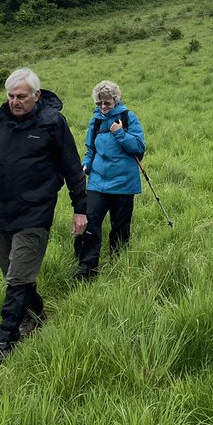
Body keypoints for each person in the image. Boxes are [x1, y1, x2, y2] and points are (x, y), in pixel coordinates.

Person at [0, 68, 87, 365]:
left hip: (36, 212)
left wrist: (81, 209)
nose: (15, 102)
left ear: (36, 96)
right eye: (11, 96)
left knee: (17, 278)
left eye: (21, 97)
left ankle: (5, 339)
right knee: (12, 272)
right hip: (0, 209)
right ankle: (36, 312)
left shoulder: (52, 123)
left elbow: (72, 167)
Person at [74, 80, 146, 281]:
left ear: (116, 100)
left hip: (124, 183)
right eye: (99, 103)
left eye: (107, 103)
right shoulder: (95, 120)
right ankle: (87, 268)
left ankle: (119, 264)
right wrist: (85, 164)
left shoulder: (128, 117)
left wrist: (120, 133)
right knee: (91, 222)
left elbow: (139, 148)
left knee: (120, 226)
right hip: (97, 181)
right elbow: (90, 150)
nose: (103, 107)